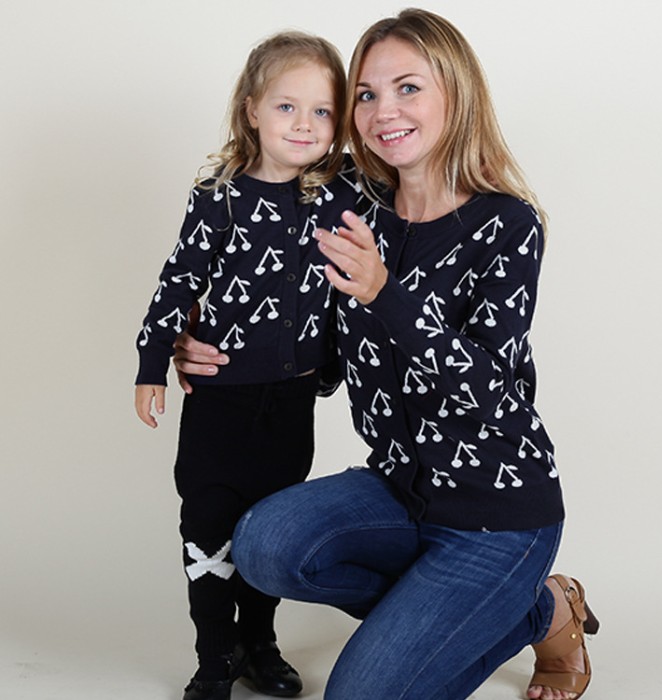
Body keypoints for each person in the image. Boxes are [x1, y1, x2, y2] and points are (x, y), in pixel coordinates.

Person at [176, 9, 598, 700]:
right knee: (262, 546)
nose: (382, 111)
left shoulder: (506, 224)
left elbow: (493, 391)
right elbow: (270, 283)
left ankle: (538, 604)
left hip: (496, 512)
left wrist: (384, 293)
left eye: (408, 88)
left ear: (455, 96)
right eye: (366, 95)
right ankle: (522, 606)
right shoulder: (346, 201)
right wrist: (196, 340)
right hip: (399, 491)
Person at [134, 31, 362, 700]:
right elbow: (177, 282)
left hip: (290, 403)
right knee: (208, 527)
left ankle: (261, 643)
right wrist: (153, 361)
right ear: (252, 108)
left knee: (265, 531)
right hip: (221, 399)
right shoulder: (220, 195)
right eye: (287, 107)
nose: (304, 125)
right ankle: (215, 655)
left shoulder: (341, 187)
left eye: (322, 111)